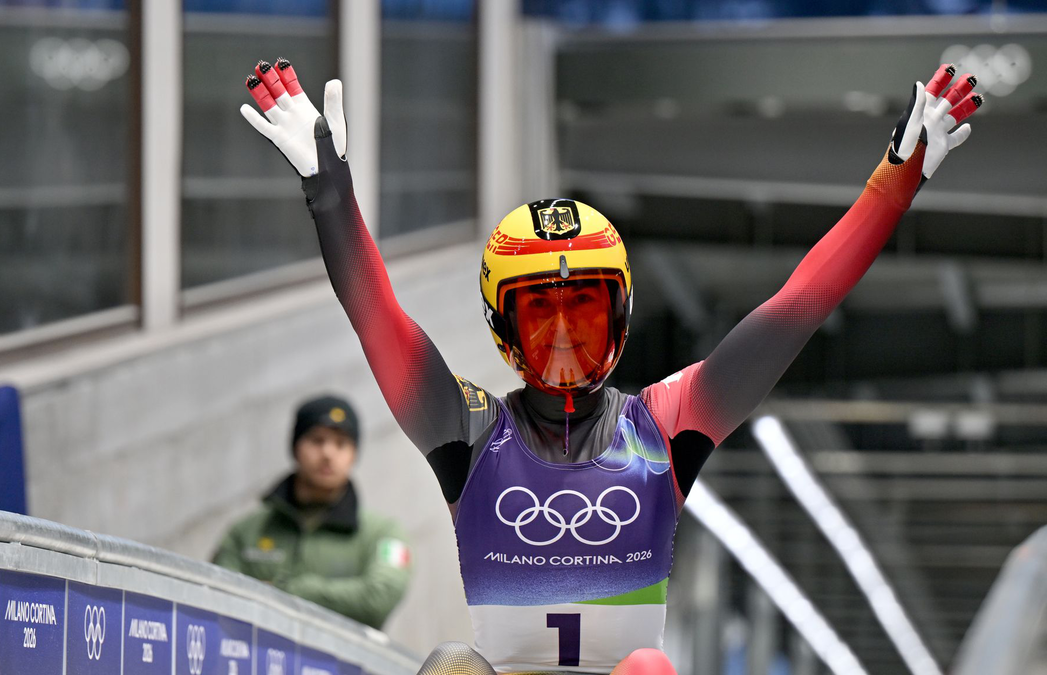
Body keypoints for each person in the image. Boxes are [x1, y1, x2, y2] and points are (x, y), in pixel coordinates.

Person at [239, 57, 983, 674]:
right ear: (503, 330)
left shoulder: (664, 425)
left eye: (585, 313)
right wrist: (328, 192)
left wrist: (894, 185)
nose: (565, 340)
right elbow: (379, 320)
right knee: (451, 665)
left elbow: (797, 307)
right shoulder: (469, 430)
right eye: (542, 315)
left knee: (647, 667)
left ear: (621, 320)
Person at [214, 394, 412, 630]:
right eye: (317, 440)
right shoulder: (247, 531)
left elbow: (380, 598)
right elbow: (218, 595)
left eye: (341, 443)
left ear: (353, 455)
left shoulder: (383, 534)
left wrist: (289, 591)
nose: (328, 453)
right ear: (296, 447)